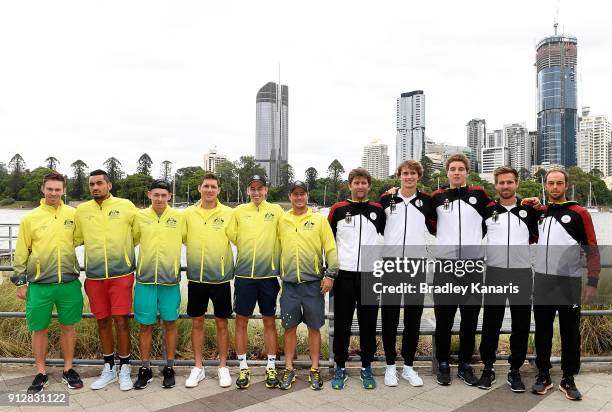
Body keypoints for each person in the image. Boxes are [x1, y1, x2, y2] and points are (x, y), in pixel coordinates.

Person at [10, 172, 84, 394]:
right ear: (43, 189)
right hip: (40, 284)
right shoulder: (30, 218)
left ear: (64, 190)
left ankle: (68, 370)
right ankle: (41, 373)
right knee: (38, 329)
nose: (54, 193)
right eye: (50, 189)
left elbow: (81, 238)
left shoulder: (73, 214)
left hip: (69, 283)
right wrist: (20, 282)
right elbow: (21, 251)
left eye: (58, 189)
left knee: (68, 328)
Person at [530, 168, 599, 401]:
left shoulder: (579, 213)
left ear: (566, 185)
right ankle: (543, 375)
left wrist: (592, 282)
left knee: (570, 333)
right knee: (543, 331)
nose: (555, 187)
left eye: (559, 183)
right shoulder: (540, 213)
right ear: (546, 186)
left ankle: (568, 378)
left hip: (569, 282)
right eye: (551, 183)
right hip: (542, 280)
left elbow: (592, 247)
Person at [430, 153, 492, 386]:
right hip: (445, 266)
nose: (456, 172)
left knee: (470, 318)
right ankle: (443, 364)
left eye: (461, 169)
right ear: (447, 173)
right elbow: (426, 221)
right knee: (443, 318)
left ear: (467, 172)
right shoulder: (437, 196)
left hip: (472, 266)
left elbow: (492, 220)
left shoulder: (479, 195)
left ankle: (465, 365)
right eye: (452, 169)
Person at [74, 169, 138, 391]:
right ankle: (109, 367)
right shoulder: (82, 211)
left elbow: (137, 234)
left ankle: (125, 368)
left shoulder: (126, 205)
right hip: (94, 276)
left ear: (109, 185)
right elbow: (75, 238)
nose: (95, 187)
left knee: (121, 321)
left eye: (99, 183)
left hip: (121, 275)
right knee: (102, 321)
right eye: (91, 184)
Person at [476, 166, 538, 392]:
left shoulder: (529, 211)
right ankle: (488, 368)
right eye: (501, 182)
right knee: (491, 323)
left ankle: (515, 370)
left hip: (522, 273)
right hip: (495, 273)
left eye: (509, 182)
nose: (505, 186)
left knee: (521, 325)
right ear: (496, 185)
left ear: (516, 184)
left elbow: (542, 233)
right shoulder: (487, 210)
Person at [276, 181, 338, 391]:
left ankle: (314, 368)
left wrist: (330, 275)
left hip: (313, 285)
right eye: (295, 194)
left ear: (307, 196)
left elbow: (330, 249)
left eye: (302, 194)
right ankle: (289, 367)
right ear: (290, 196)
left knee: (314, 328)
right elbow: (276, 248)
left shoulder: (319, 220)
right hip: (290, 286)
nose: (299, 197)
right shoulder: (282, 220)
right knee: (289, 328)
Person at [379, 160, 436, 387]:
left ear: (418, 177)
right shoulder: (386, 199)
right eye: (405, 173)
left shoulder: (427, 201)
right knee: (390, 317)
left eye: (413, 173)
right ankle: (391, 366)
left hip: (416, 264)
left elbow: (438, 224)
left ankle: (409, 367)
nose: (409, 177)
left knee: (413, 318)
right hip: (391, 264)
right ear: (399, 176)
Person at [328, 168, 385, 390]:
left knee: (368, 325)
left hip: (370, 275)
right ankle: (339, 367)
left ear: (368, 186)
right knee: (342, 324)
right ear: (350, 185)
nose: (360, 186)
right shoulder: (338, 210)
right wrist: (329, 272)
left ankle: (366, 367)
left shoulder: (378, 210)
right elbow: (328, 243)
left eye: (363, 183)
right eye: (356, 182)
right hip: (344, 275)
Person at [228, 175, 283, 389]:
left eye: (260, 188)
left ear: (266, 190)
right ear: (248, 190)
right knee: (241, 322)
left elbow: (289, 228)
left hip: (268, 277)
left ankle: (271, 366)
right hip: (244, 277)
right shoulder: (239, 212)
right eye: (253, 189)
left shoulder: (276, 211)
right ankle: (243, 367)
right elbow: (230, 233)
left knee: (269, 322)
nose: (257, 192)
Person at [131, 180, 185, 390]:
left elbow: (191, 240)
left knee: (170, 324)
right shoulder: (140, 217)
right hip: (145, 280)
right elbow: (132, 240)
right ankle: (145, 369)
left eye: (164, 195)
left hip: (170, 280)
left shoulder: (179, 218)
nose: (160, 199)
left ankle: (169, 367)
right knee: (145, 326)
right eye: (156, 195)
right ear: (149, 195)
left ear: (169, 196)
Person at [183, 173, 235, 388]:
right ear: (199, 188)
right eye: (206, 186)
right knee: (197, 322)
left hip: (220, 279)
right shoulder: (188, 213)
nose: (210, 190)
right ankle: (198, 367)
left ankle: (223, 367)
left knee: (222, 323)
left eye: (213, 186)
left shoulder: (229, 214)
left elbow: (239, 238)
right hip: (196, 278)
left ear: (219, 190)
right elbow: (183, 238)